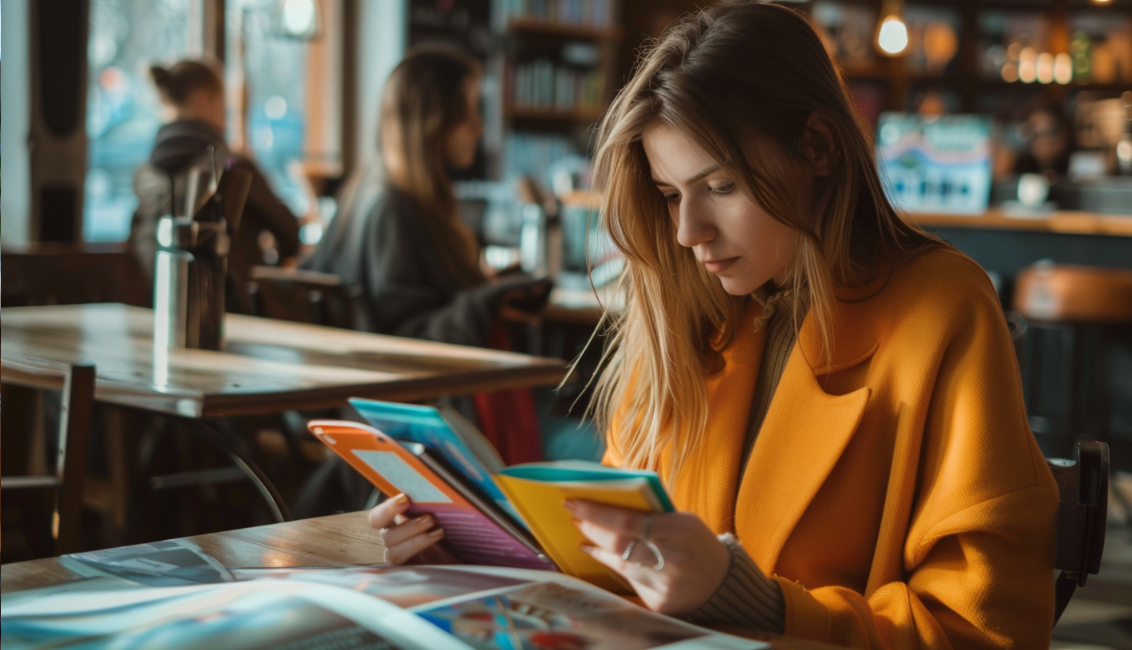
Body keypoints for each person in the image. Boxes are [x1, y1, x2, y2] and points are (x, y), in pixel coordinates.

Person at [368, 4, 1058, 648]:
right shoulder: (687, 314)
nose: (686, 232)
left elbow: (984, 629)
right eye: (669, 195)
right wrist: (469, 552)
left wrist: (754, 602)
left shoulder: (941, 308)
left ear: (817, 148)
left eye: (720, 186)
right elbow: (613, 568)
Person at [304, 45, 549, 349]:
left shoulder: (371, 188)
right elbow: (406, 339)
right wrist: (485, 301)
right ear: (431, 120)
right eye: (467, 113)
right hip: (406, 392)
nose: (479, 128)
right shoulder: (392, 206)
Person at [131, 60, 302, 310]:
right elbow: (289, 232)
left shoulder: (145, 174)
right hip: (231, 315)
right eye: (225, 105)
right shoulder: (230, 166)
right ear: (204, 99)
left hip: (159, 313)